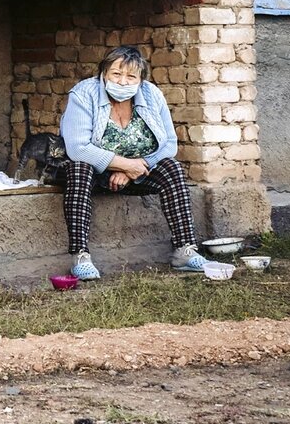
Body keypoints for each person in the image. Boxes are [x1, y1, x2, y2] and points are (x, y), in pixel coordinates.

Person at [59, 45, 214, 280]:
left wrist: (135, 167)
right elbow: (78, 148)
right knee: (78, 168)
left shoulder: (152, 95)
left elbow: (169, 144)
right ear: (104, 73)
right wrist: (123, 164)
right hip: (94, 174)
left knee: (172, 168)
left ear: (141, 79)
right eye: (116, 74)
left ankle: (185, 250)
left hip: (138, 172)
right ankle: (80, 256)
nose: (123, 82)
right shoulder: (83, 94)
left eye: (131, 76)